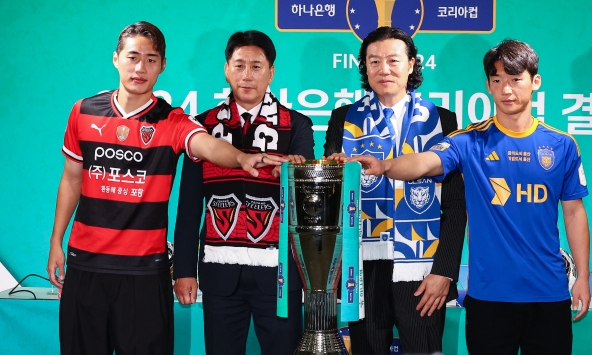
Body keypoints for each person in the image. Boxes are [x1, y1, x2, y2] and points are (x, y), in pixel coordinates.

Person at [45, 22, 284, 355]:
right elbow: (71, 178)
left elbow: (208, 146)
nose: (140, 68)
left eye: (151, 59)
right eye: (133, 57)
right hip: (86, 266)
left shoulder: (173, 121)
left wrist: (241, 158)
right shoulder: (83, 112)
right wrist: (56, 240)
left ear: (162, 66)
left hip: (144, 273)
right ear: (116, 59)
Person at [351, 39, 591, 355]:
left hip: (548, 294)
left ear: (535, 81)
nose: (506, 90)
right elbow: (424, 162)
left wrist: (583, 278)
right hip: (488, 298)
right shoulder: (468, 141)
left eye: (516, 79)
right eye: (497, 80)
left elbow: (574, 212)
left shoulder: (562, 145)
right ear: (488, 86)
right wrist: (384, 166)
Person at [324, 26, 467, 355]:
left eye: (392, 60)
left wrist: (445, 271)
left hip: (422, 265)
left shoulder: (441, 120)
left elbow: (457, 206)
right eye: (373, 61)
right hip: (360, 266)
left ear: (412, 64)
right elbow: (333, 200)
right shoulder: (343, 119)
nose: (383, 69)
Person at [172, 30, 314, 355]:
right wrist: (183, 271)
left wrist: (294, 170)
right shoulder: (201, 127)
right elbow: (189, 206)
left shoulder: (297, 125)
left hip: (280, 274)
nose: (246, 75)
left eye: (256, 66)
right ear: (226, 69)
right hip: (220, 273)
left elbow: (307, 189)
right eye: (239, 65)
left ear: (271, 72)